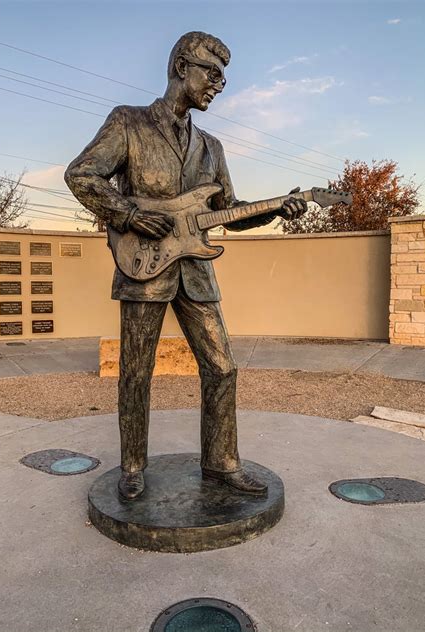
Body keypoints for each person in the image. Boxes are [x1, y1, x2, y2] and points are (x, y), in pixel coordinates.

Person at [65, 31, 306, 500]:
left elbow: (230, 211)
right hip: (143, 266)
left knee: (222, 367)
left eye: (223, 77)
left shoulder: (212, 147)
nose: (219, 84)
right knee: (136, 371)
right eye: (211, 73)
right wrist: (129, 215)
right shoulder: (128, 122)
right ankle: (132, 465)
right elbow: (82, 174)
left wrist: (278, 208)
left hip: (196, 275)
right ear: (181, 67)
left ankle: (220, 463)